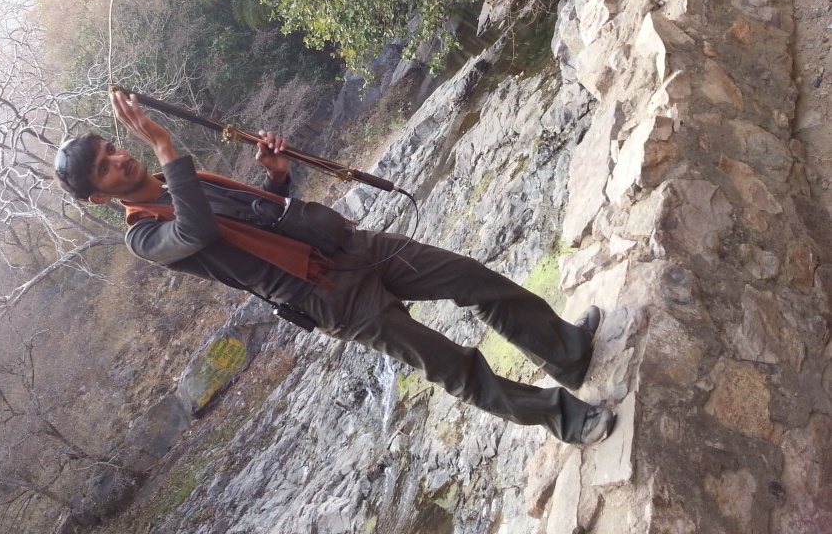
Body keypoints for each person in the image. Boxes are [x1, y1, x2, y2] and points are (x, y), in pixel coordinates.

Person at [54, 91, 616, 445]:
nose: (120, 158)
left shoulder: (183, 180)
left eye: (111, 148)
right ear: (100, 197)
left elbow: (255, 221)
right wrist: (165, 146)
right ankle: (566, 419)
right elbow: (197, 232)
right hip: (328, 296)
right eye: (105, 167)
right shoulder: (143, 235)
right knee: (454, 365)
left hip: (349, 246)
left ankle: (566, 352)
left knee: (472, 278)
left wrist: (276, 177)